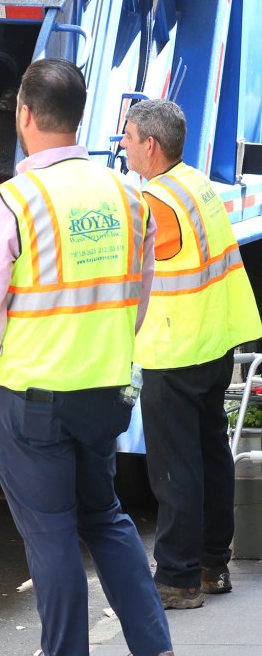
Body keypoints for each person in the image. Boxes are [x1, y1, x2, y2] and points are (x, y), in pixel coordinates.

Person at [0, 59, 174, 656]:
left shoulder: (11, 204)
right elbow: (140, 293)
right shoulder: (130, 195)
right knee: (106, 518)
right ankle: (156, 647)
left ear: (24, 114)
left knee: (50, 535)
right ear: (79, 118)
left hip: (29, 400)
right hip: (104, 391)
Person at [121, 99, 262, 609]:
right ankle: (211, 566)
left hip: (175, 346)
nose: (124, 144)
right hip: (214, 339)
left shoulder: (155, 202)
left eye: (129, 136)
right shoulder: (195, 183)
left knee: (174, 467)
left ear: (150, 145)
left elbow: (128, 270)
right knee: (209, 454)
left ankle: (178, 580)